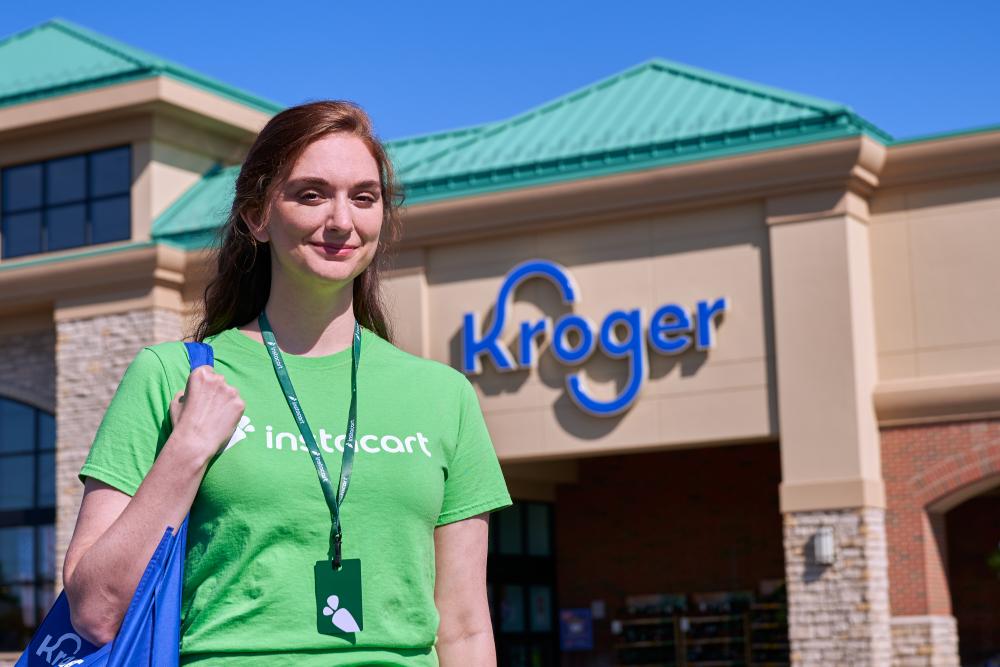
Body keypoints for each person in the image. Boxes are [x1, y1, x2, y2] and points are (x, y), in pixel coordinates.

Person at [62, 100, 512, 666]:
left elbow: (466, 630)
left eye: (363, 197)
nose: (341, 220)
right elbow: (95, 609)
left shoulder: (445, 397)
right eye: (311, 193)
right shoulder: (173, 375)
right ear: (256, 216)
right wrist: (187, 453)